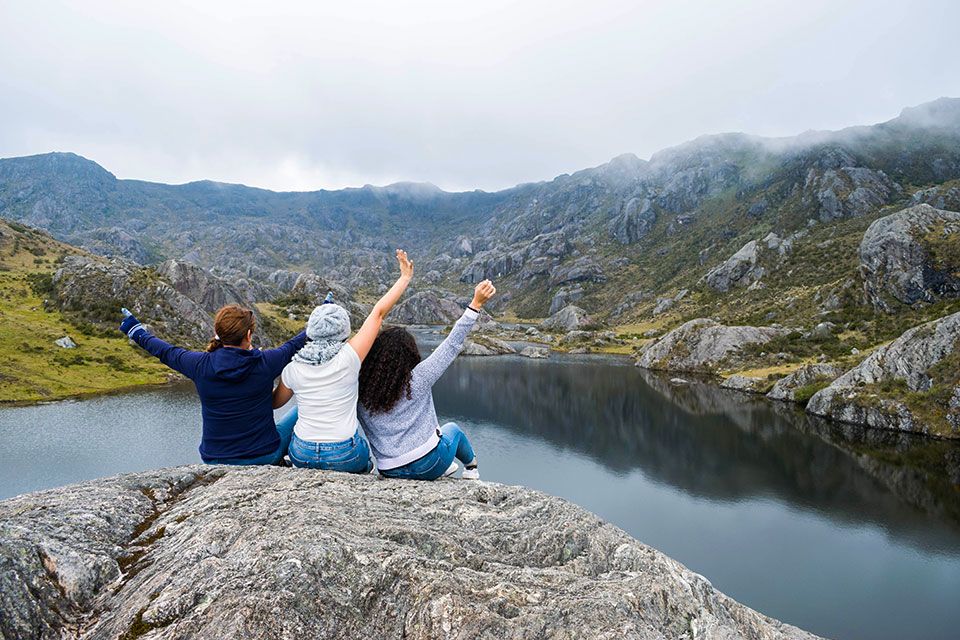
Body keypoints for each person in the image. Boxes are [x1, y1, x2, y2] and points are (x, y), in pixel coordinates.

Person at [271, 249, 413, 473]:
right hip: (343, 454)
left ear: (311, 331)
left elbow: (275, 403)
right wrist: (404, 278)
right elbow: (378, 314)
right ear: (343, 330)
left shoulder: (293, 368)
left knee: (298, 412)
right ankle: (362, 470)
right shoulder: (349, 358)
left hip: (302, 453)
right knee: (366, 460)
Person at [118, 303, 307, 465]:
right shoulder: (266, 362)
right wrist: (320, 317)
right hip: (264, 455)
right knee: (301, 409)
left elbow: (166, 352)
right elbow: (294, 345)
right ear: (249, 335)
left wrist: (135, 331)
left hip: (215, 458)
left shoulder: (199, 365)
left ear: (218, 333)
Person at [357, 279, 496, 480]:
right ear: (410, 355)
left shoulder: (361, 389)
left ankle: (445, 466)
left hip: (389, 470)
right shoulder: (418, 378)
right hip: (429, 465)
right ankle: (471, 469)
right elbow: (451, 345)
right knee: (453, 430)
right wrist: (475, 304)